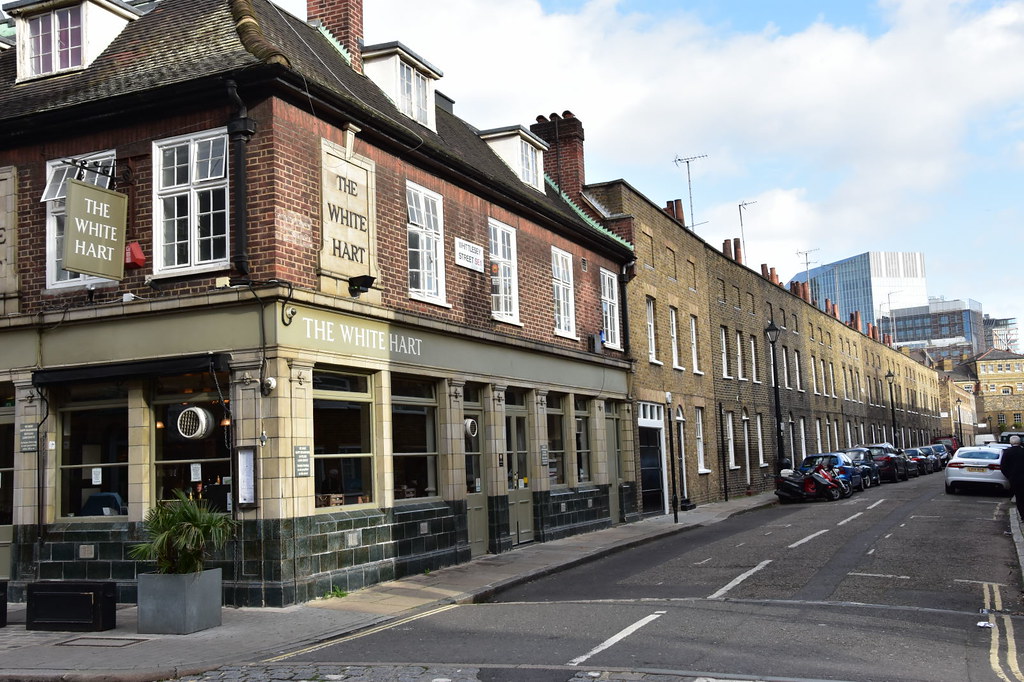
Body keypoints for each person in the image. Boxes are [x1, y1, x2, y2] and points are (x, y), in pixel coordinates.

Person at [1001, 435, 1024, 521]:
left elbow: (1003, 467)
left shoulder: (1007, 452)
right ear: (1020, 442)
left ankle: (1023, 516)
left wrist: (1009, 476)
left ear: (1010, 442)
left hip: (1014, 479)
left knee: (1019, 498)